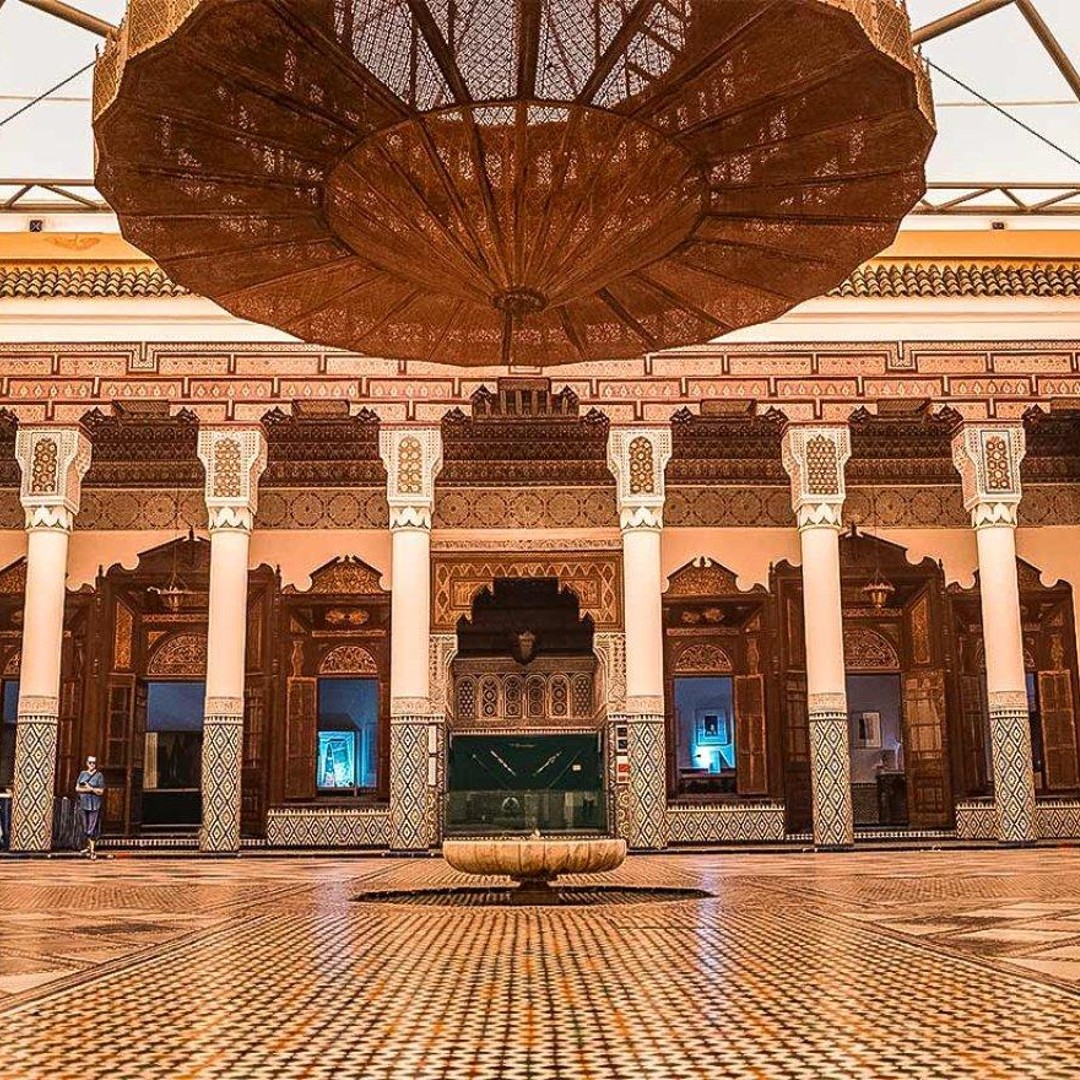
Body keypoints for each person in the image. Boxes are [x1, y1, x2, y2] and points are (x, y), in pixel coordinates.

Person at [75, 756, 105, 859]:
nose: (92, 764)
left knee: (92, 826)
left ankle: (92, 851)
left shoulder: (99, 776)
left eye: (94, 763)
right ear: (87, 763)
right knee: (85, 825)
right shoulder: (83, 774)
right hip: (84, 803)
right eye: (90, 762)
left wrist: (90, 788)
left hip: (95, 804)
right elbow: (77, 788)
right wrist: (88, 789)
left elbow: (101, 791)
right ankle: (88, 846)